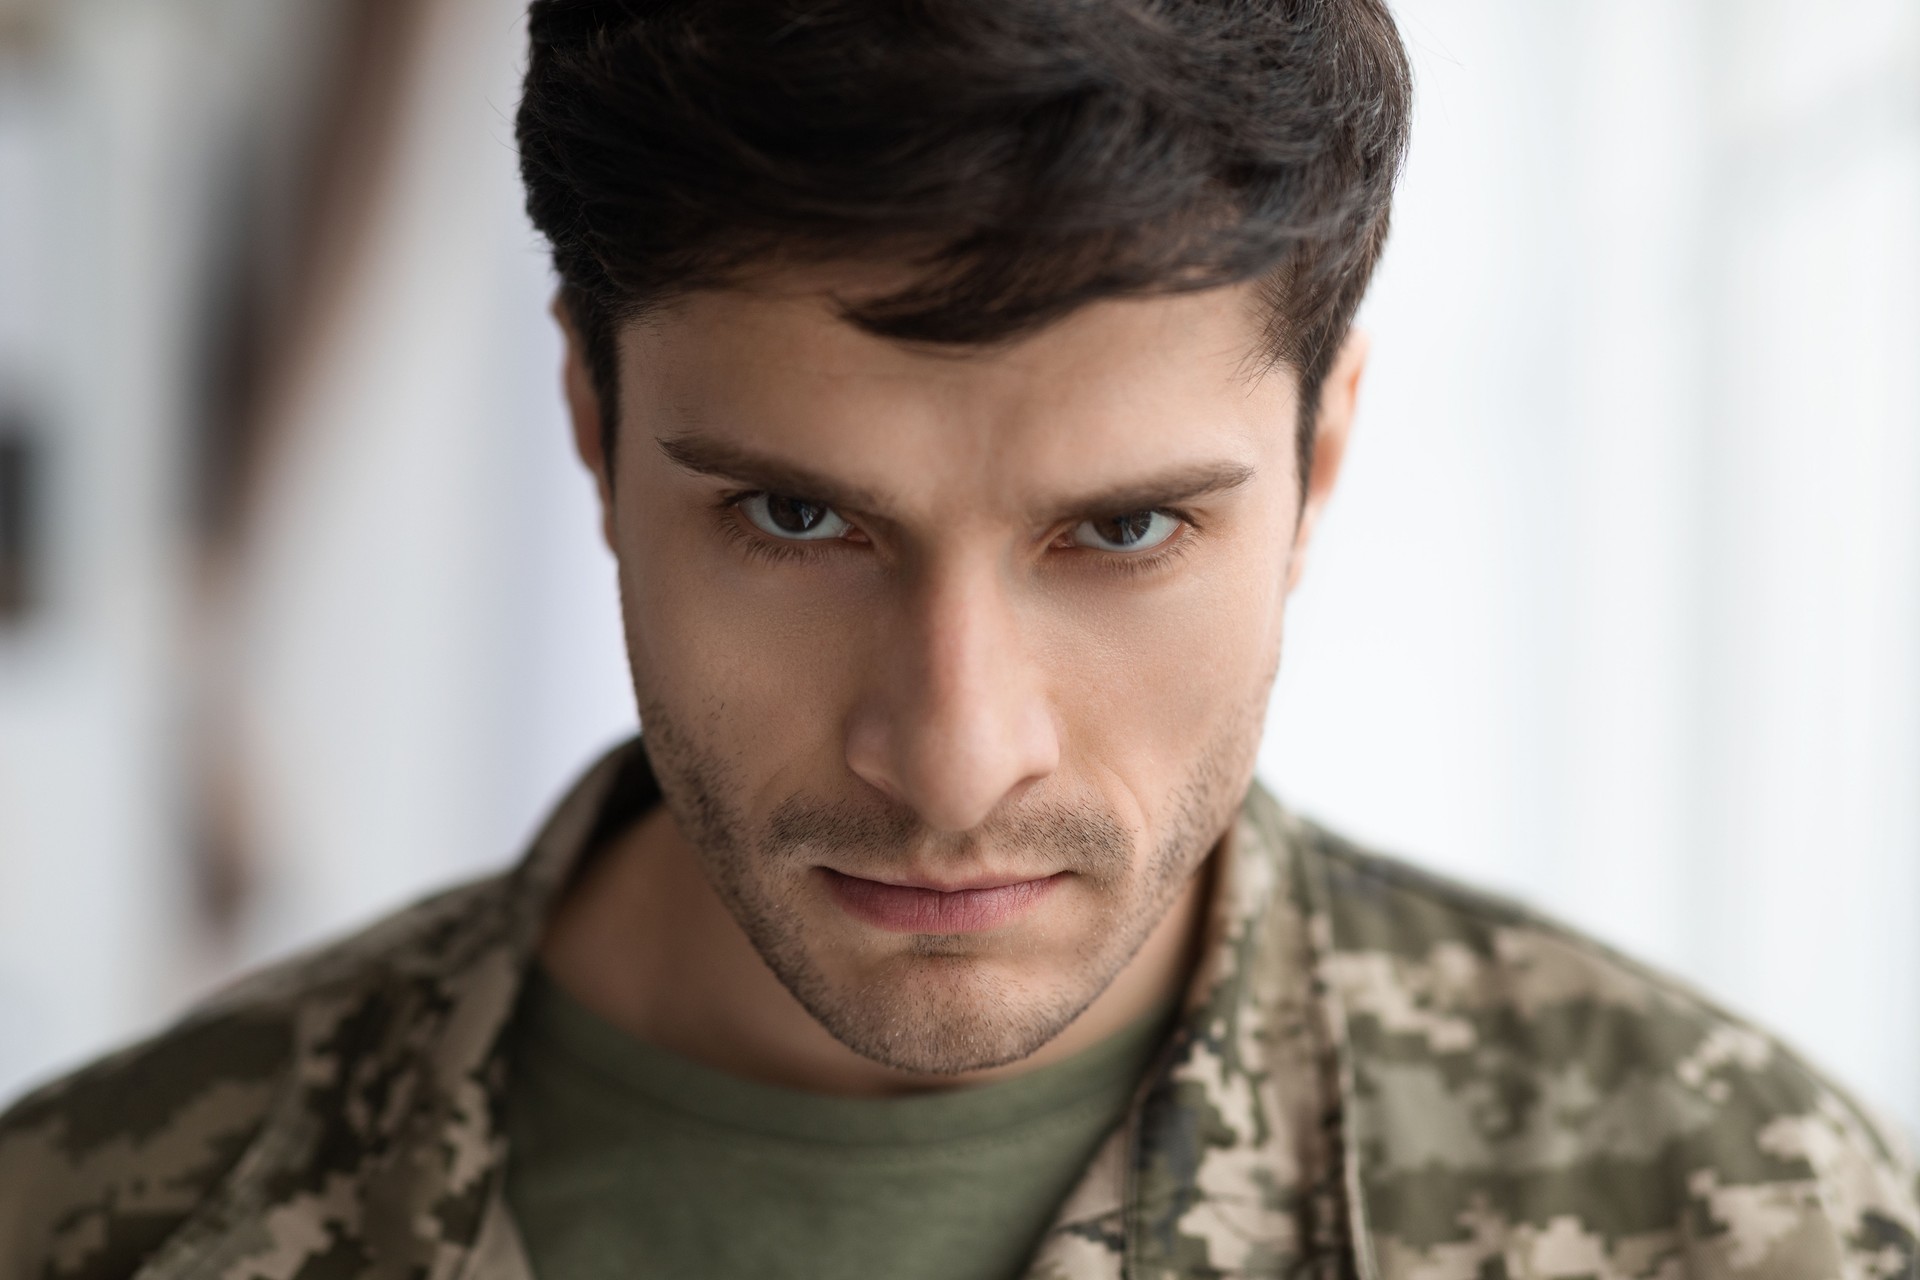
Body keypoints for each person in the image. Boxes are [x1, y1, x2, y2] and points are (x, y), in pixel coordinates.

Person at [3, 1, 1916, 1276]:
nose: (952, 754)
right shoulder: (87, 1227)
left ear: (1322, 455)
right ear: (589, 424)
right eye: (797, 516)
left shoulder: (1744, 1219)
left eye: (1127, 529)